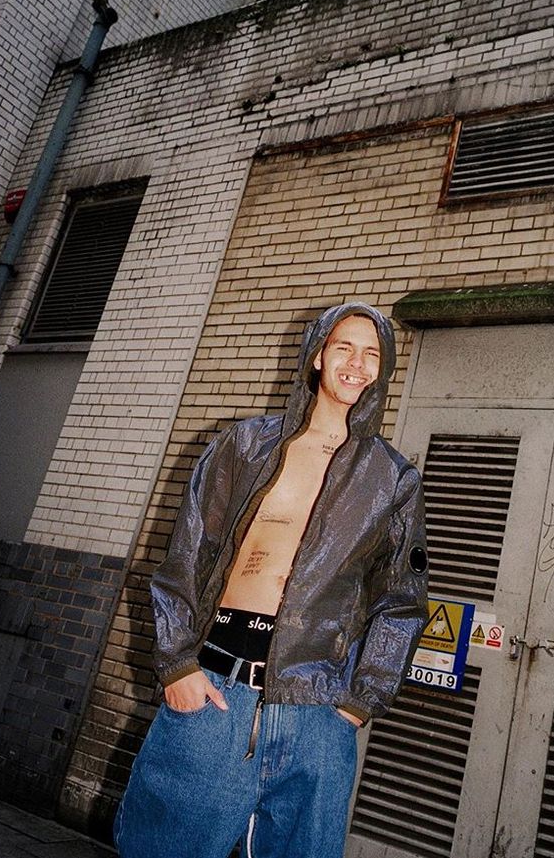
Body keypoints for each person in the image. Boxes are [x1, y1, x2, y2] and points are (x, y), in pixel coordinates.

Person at [114, 301, 428, 858]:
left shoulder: (393, 476)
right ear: (317, 357)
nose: (356, 364)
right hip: (214, 694)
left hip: (318, 711)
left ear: (384, 370)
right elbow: (187, 557)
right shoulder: (246, 445)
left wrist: (360, 702)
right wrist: (177, 665)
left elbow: (400, 603)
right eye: (344, 348)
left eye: (372, 354)